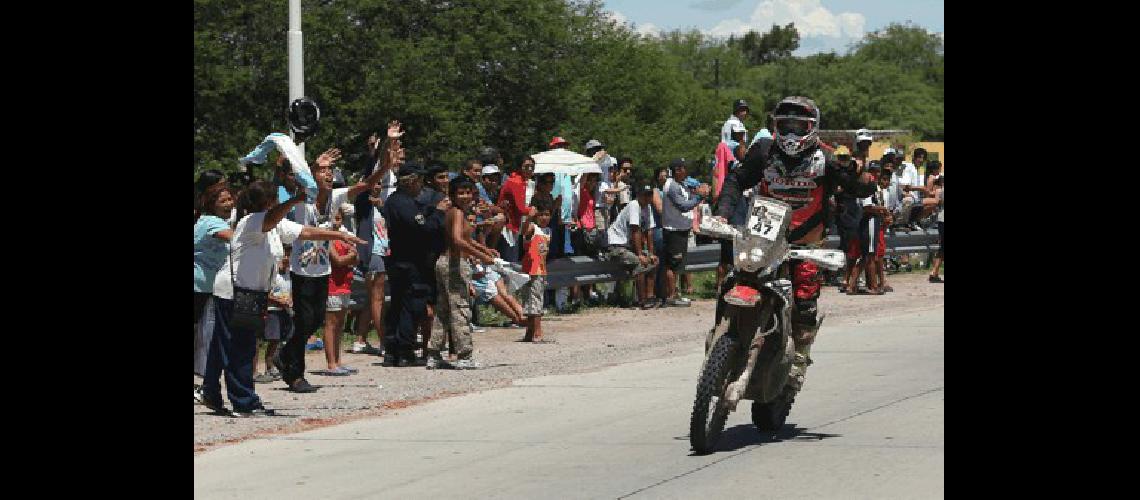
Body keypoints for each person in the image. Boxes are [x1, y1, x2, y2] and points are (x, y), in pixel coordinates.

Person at [713, 96, 877, 398]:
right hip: (762, 239)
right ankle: (719, 334)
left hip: (805, 243)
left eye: (797, 126)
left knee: (804, 300)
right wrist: (722, 212)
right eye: (784, 125)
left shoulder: (826, 159)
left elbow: (860, 188)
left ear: (812, 128)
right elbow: (736, 180)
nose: (790, 133)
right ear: (775, 126)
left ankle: (798, 362)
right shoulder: (763, 151)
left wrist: (855, 173)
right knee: (731, 279)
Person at [205, 181, 364, 417]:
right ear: (270, 203)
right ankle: (244, 402)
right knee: (241, 347)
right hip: (234, 293)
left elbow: (305, 232)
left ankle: (210, 392)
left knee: (225, 345)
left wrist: (338, 234)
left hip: (249, 293)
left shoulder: (273, 224)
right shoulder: (253, 222)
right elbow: (271, 219)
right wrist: (295, 200)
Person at [382, 161, 449, 366]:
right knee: (410, 306)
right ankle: (404, 351)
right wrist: (438, 213)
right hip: (408, 263)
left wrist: (431, 209)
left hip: (404, 262)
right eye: (419, 181)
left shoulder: (405, 201)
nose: (422, 186)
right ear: (411, 182)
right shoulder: (400, 202)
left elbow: (420, 213)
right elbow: (422, 228)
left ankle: (395, 350)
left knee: (401, 305)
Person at [427, 179, 498, 369]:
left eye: (468, 192)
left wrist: (484, 250)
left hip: (446, 263)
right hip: (453, 264)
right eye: (461, 193)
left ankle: (434, 354)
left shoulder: (457, 213)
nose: (465, 196)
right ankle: (464, 355)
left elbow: (464, 239)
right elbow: (458, 241)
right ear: (452, 194)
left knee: (443, 311)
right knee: (460, 309)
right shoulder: (457, 213)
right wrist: (480, 256)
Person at [194, 183, 235, 402]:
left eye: (230, 199)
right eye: (223, 201)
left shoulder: (212, 220)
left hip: (208, 288)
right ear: (211, 204)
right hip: (199, 287)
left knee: (204, 338)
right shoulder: (212, 222)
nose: (229, 204)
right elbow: (232, 237)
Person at [660, 159, 710, 307]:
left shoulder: (681, 183)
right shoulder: (672, 186)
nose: (686, 172)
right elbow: (683, 206)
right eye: (683, 169)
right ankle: (671, 297)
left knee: (678, 265)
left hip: (681, 229)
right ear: (677, 170)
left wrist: (701, 188)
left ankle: (675, 294)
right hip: (673, 230)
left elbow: (693, 186)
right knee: (673, 264)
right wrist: (699, 197)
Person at [604, 184, 658, 308]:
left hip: (627, 245)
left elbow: (649, 231)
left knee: (654, 261)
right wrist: (640, 254)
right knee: (638, 262)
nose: (648, 198)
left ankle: (650, 297)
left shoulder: (648, 207)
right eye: (645, 195)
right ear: (639, 195)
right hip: (616, 245)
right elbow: (635, 230)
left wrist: (651, 253)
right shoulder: (634, 205)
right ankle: (641, 300)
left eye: (650, 195)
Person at [321, 206, 360, 375]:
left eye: (339, 218)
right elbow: (336, 260)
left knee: (340, 325)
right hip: (332, 285)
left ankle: (338, 361)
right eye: (334, 218)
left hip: (345, 284)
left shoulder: (345, 237)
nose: (337, 221)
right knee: (331, 324)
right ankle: (331, 363)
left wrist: (350, 257)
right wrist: (349, 257)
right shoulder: (327, 238)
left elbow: (356, 257)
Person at [254, 247, 293, 383]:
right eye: (284, 256)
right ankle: (261, 368)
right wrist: (279, 301)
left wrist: (289, 300)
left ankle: (272, 366)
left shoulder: (288, 274)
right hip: (271, 310)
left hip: (284, 310)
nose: (286, 259)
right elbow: (265, 293)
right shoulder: (272, 273)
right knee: (267, 339)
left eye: (289, 256)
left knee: (278, 339)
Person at [520, 197, 554, 342]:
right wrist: (528, 217)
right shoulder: (533, 228)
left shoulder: (548, 231)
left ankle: (530, 332)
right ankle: (537, 332)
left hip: (541, 270)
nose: (544, 218)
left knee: (534, 301)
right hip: (532, 270)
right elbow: (524, 230)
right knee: (534, 302)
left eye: (547, 214)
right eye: (541, 214)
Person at [498, 155, 536, 264]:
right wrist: (533, 210)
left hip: (515, 224)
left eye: (532, 167)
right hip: (508, 225)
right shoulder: (516, 182)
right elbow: (521, 208)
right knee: (509, 261)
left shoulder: (524, 182)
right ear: (519, 167)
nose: (529, 169)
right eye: (526, 166)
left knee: (512, 258)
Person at [929, 174, 944, 283]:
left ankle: (934, 272)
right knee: (942, 247)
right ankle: (934, 272)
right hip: (943, 220)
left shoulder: (939, 191)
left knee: (942, 248)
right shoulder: (940, 191)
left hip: (941, 220)